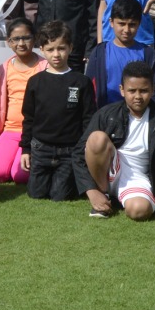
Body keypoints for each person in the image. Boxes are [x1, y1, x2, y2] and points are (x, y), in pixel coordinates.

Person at [75, 60, 155, 221]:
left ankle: (122, 200)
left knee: (139, 212)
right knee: (96, 138)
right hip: (108, 172)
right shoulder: (107, 113)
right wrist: (91, 191)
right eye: (132, 91)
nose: (138, 96)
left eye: (144, 91)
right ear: (122, 90)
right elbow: (78, 153)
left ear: (153, 90)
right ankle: (103, 194)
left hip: (138, 177)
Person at [20, 20, 96, 201]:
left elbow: (88, 119)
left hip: (69, 151)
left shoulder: (81, 82)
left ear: (70, 48)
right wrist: (25, 149)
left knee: (59, 196)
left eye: (61, 48)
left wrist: (84, 150)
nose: (56, 54)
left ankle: (73, 179)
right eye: (50, 49)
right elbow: (28, 118)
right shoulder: (35, 82)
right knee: (36, 194)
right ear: (42, 50)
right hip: (40, 149)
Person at [0, 17, 47, 184]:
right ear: (9, 42)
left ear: (34, 39)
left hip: (35, 133)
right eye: (16, 39)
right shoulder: (3, 70)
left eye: (26, 38)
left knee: (20, 175)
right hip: (9, 130)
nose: (21, 43)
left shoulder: (45, 67)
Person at [88, 0, 155, 109]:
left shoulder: (148, 54)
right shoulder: (100, 53)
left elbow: (154, 91)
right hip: (106, 116)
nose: (126, 30)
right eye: (121, 24)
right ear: (111, 22)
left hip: (139, 118)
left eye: (132, 25)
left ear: (139, 23)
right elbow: (90, 88)